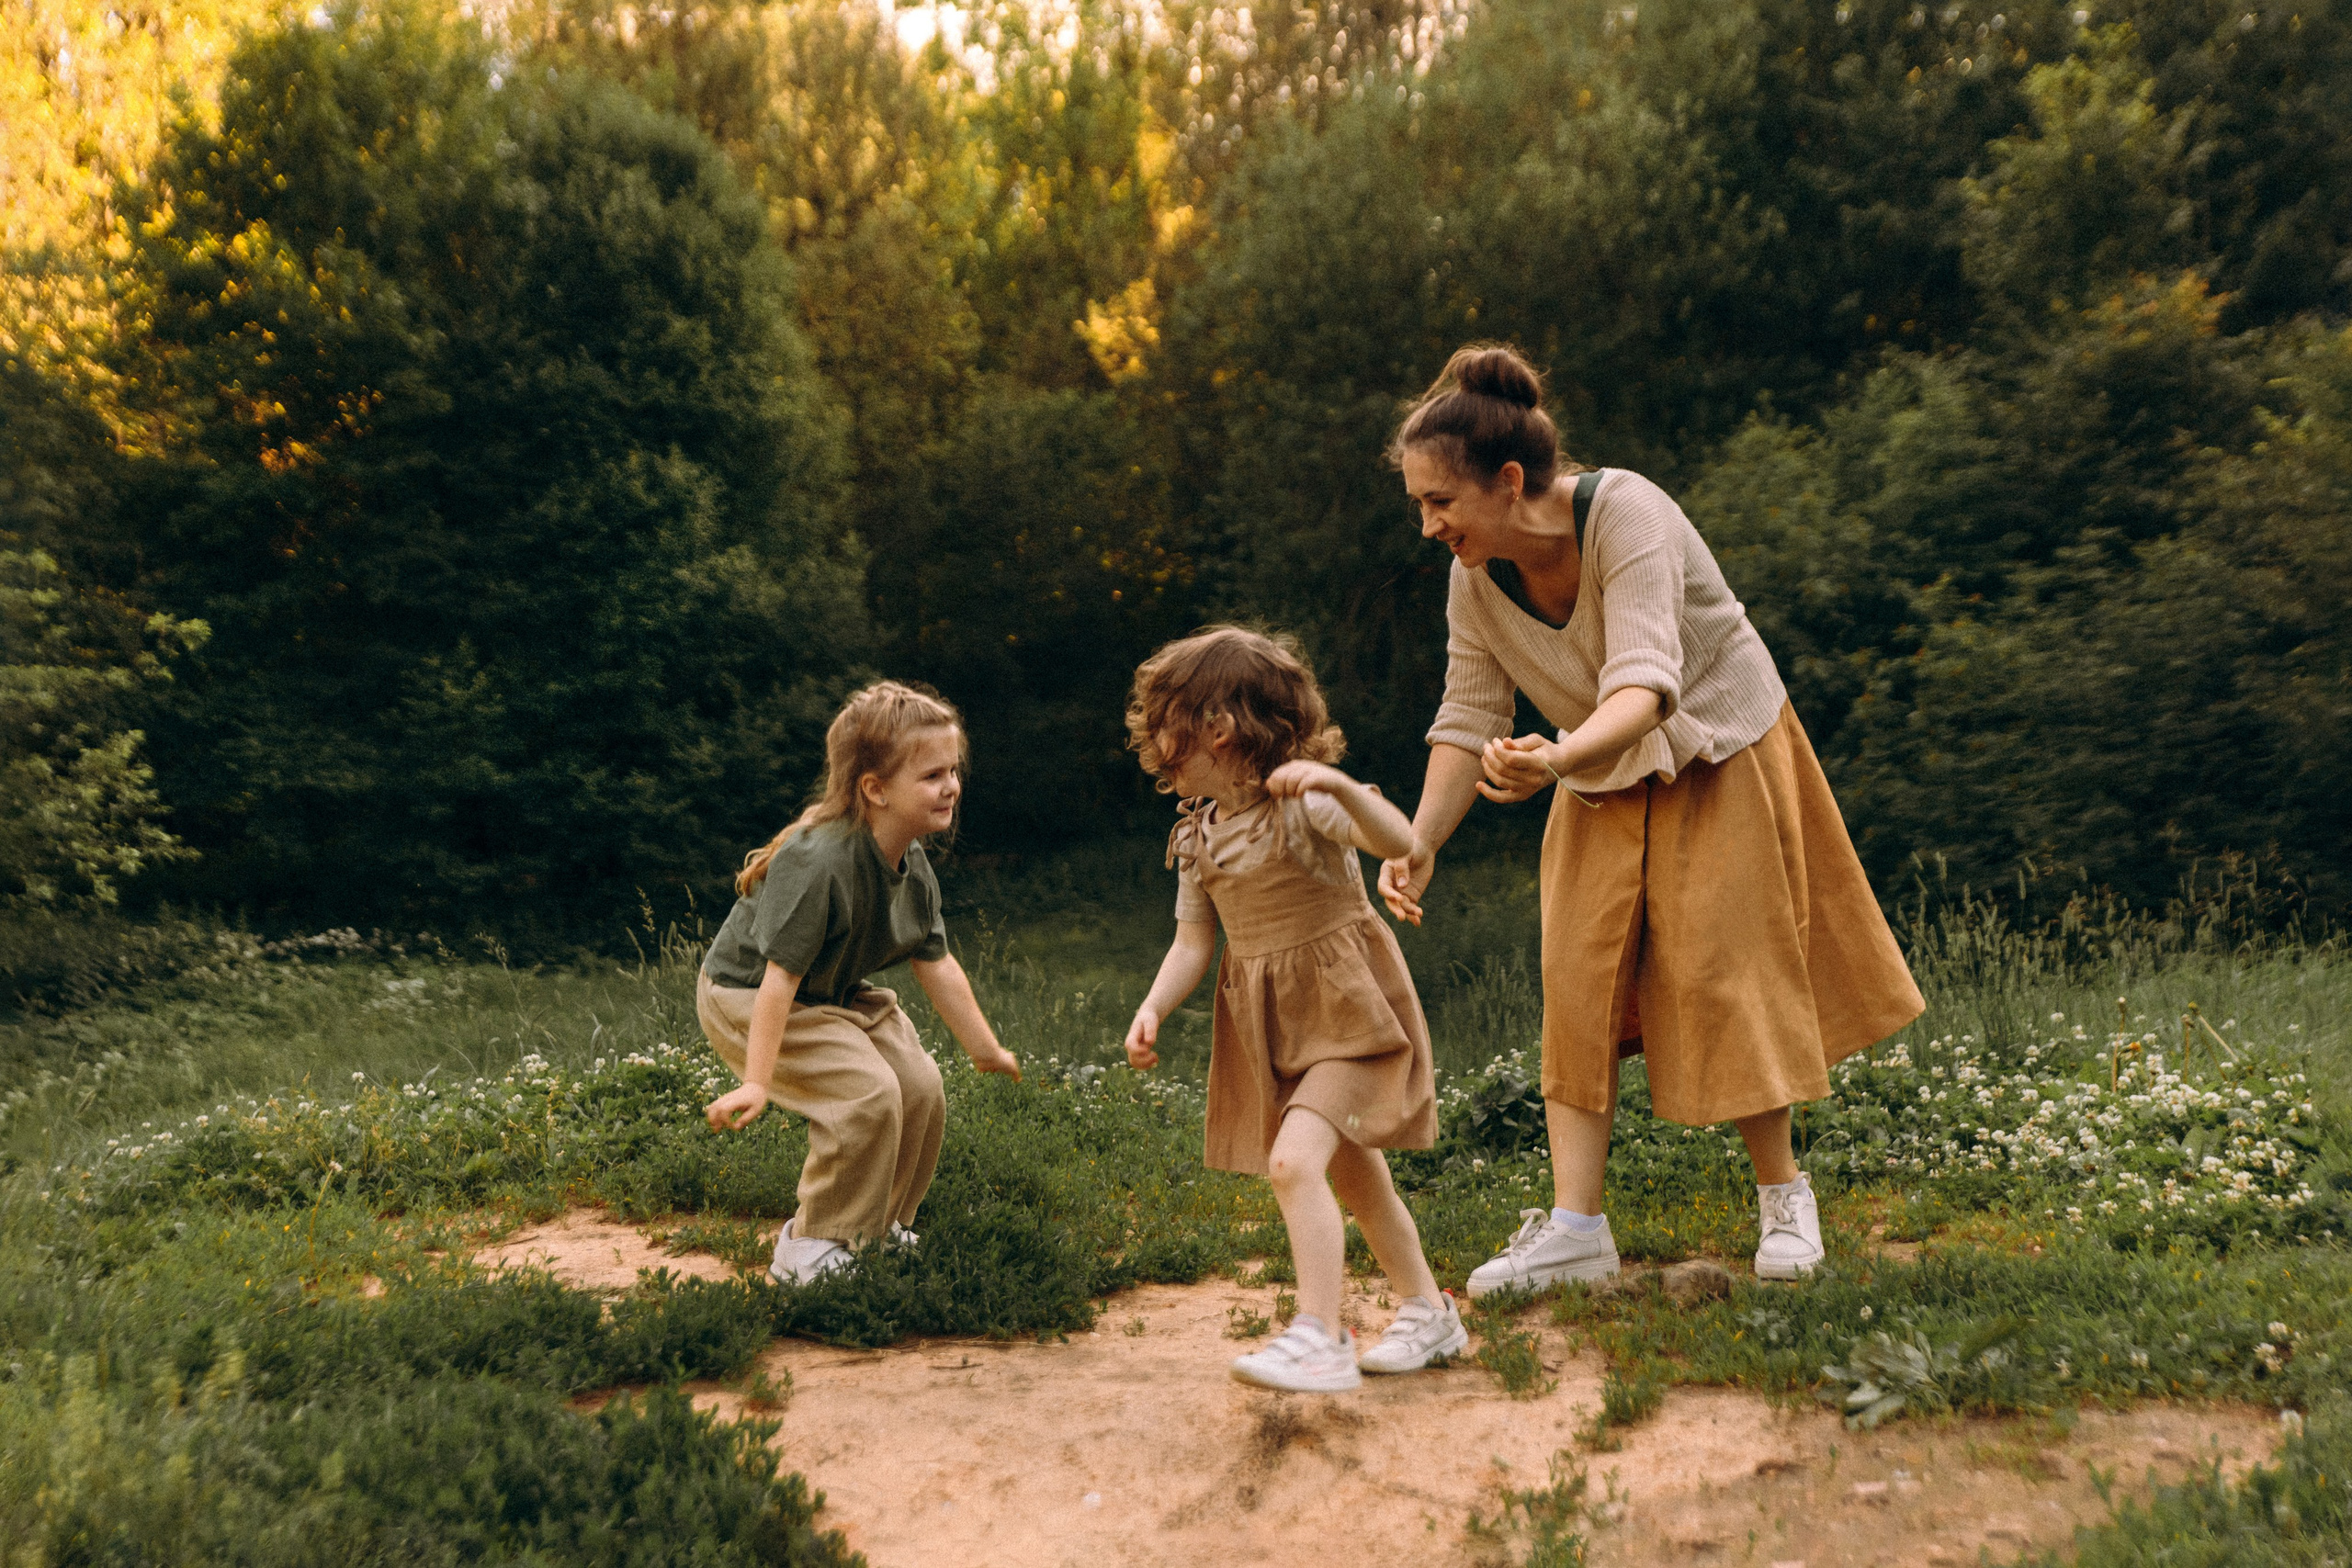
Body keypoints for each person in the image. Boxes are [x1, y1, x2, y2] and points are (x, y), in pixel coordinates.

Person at [1377, 345, 1925, 1292]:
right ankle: (1577, 1230)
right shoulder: (1476, 577)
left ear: (1508, 483)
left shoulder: (1629, 513)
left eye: (1439, 502)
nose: (1427, 526)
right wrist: (1420, 842)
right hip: (1595, 765)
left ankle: (1784, 1199)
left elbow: (1645, 684)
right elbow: (1467, 718)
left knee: (1725, 962)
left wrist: (1558, 757)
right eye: (1420, 504)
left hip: (1716, 746)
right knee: (1575, 979)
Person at [1122, 626, 1461, 1393]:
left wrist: (1340, 788)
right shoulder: (1197, 834)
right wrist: (1153, 1006)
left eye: (1167, 722)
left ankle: (1319, 1333)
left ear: (1219, 728)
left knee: (1292, 1162)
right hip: (1278, 1029)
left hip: (1350, 1017)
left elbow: (1399, 838)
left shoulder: (1308, 803)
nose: (1154, 741)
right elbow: (1190, 944)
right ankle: (1429, 1312)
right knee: (1359, 1181)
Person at [698, 680, 1021, 1286]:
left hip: (832, 993)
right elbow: (778, 979)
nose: (950, 784)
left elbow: (938, 962)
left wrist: (985, 1047)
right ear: (875, 788)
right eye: (931, 775)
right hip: (747, 996)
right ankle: (813, 1242)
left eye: (953, 770)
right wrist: (757, 1083)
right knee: (867, 1093)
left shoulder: (912, 861)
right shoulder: (820, 860)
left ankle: (876, 1230)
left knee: (920, 1086)